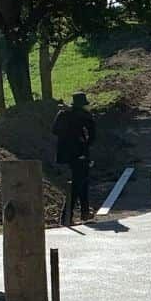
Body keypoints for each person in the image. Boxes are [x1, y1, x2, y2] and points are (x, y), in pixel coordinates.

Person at [52, 92, 96, 224]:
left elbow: (54, 130)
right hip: (80, 153)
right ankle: (66, 217)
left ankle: (85, 212)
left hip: (65, 153)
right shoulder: (84, 116)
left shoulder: (63, 114)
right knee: (78, 184)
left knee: (82, 181)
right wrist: (84, 145)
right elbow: (93, 135)